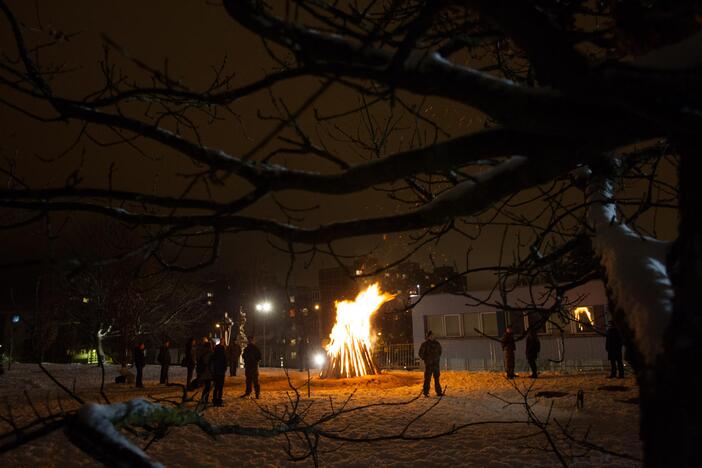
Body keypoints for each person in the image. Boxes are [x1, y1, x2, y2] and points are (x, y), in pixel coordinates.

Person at [418, 330, 442, 397]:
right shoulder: (425, 344)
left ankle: (439, 392)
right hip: (429, 365)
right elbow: (420, 353)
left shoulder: (437, 344)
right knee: (427, 379)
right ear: (428, 336)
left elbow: (440, 352)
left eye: (433, 335)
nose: (432, 336)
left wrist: (436, 358)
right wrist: (426, 359)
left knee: (437, 378)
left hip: (436, 364)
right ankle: (426, 392)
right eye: (431, 335)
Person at [196, 338, 214, 403]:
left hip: (204, 371)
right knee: (207, 386)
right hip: (207, 372)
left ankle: (204, 398)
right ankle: (204, 399)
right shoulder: (209, 353)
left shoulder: (202, 352)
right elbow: (207, 362)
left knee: (207, 386)